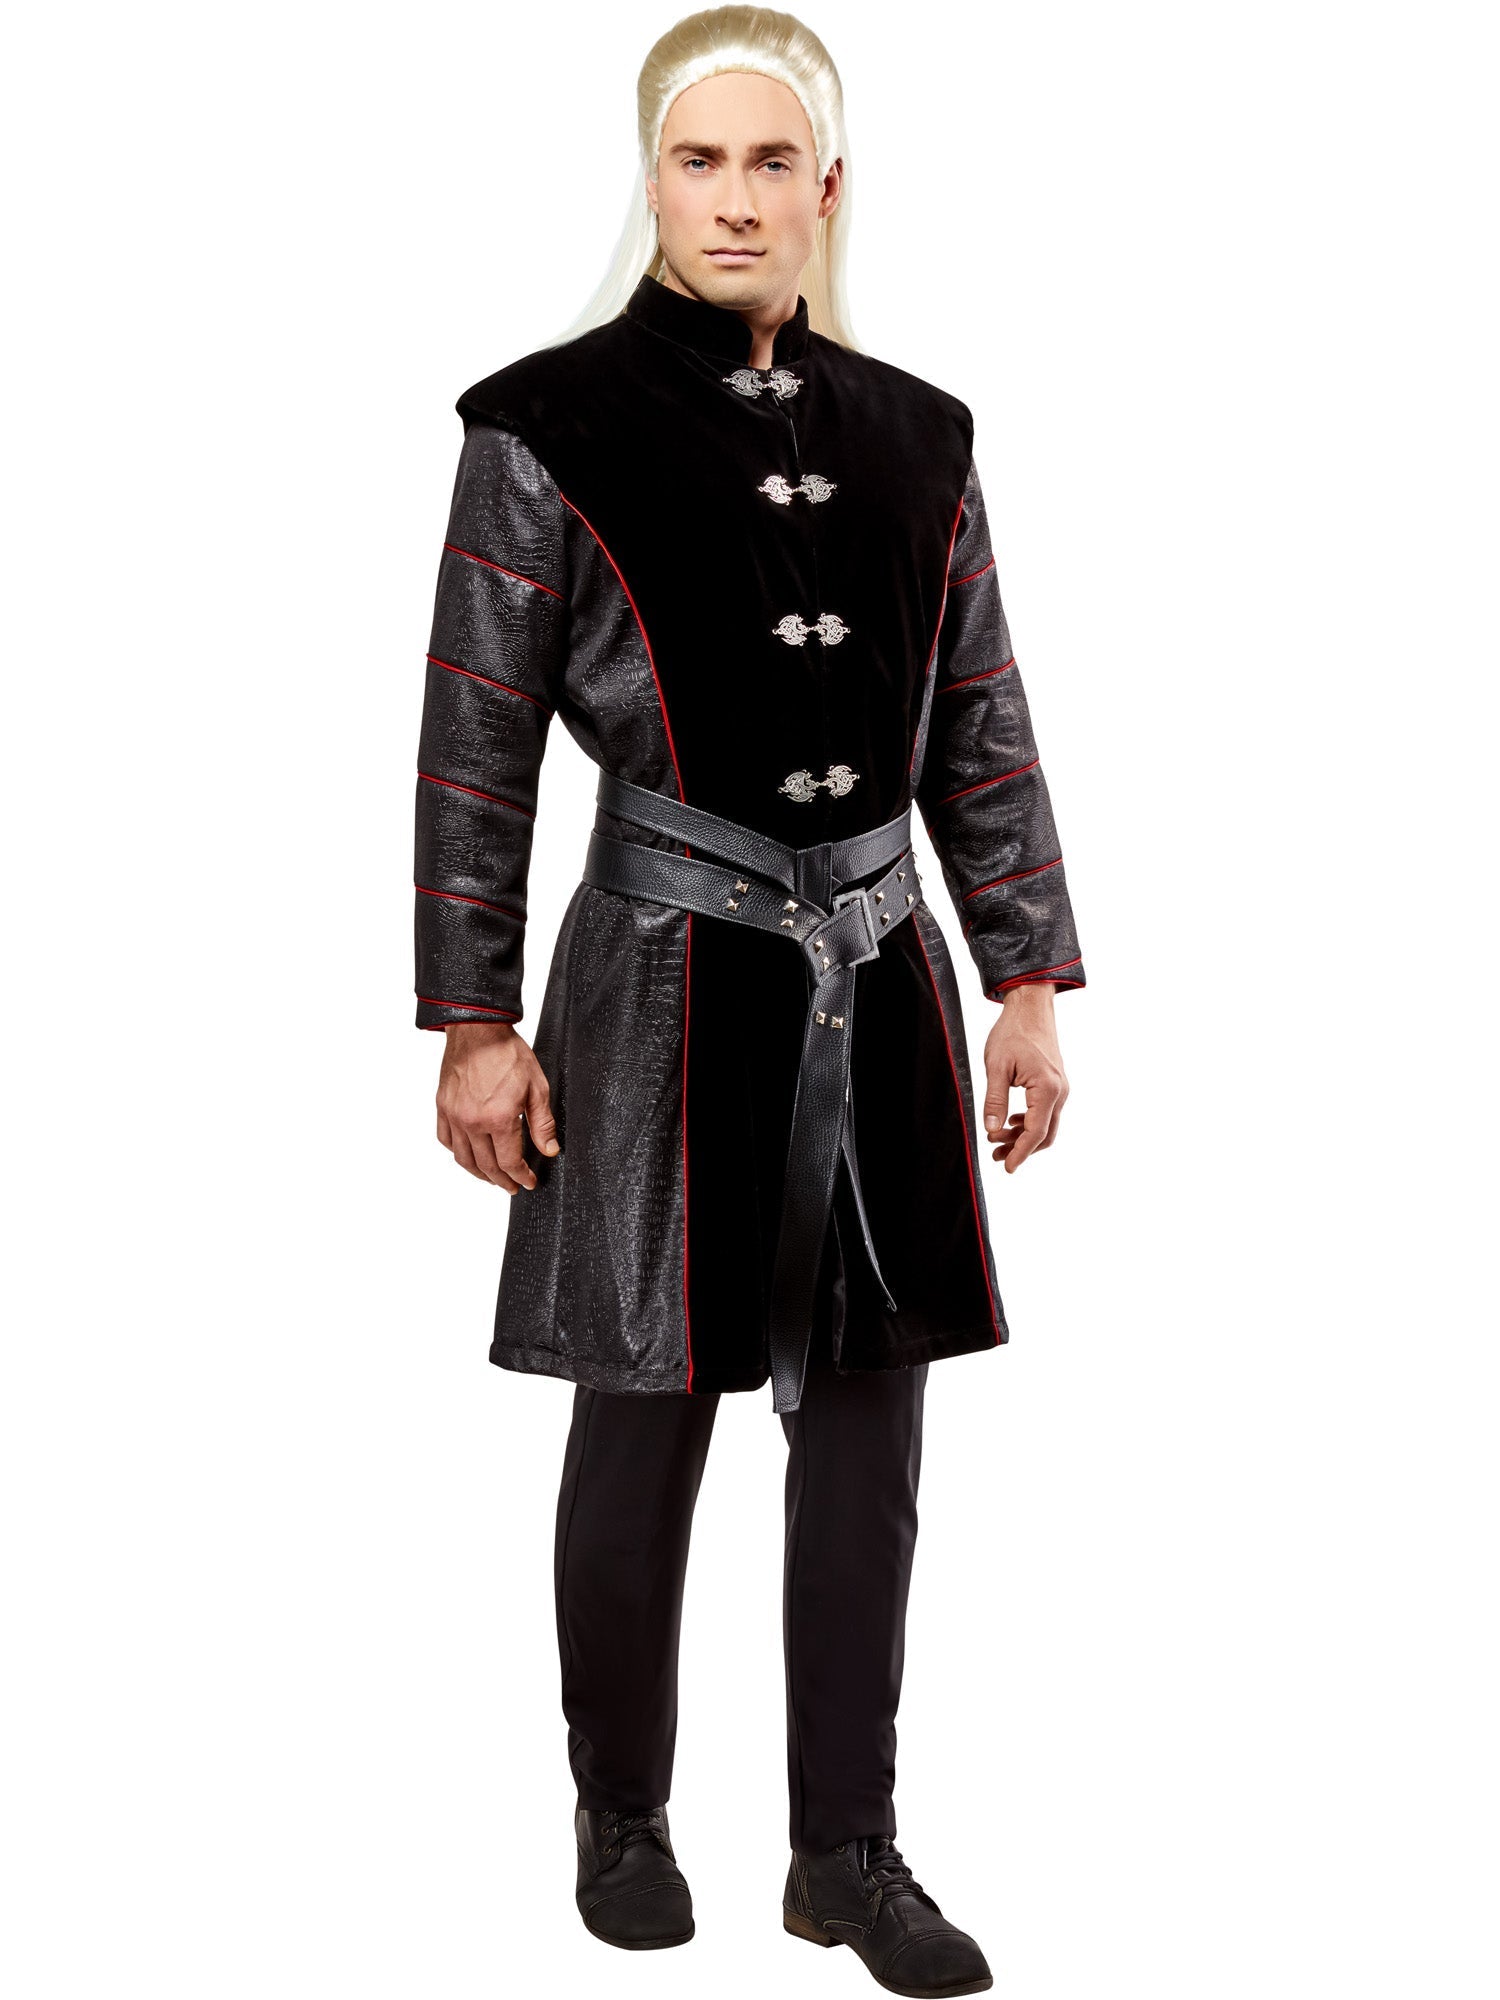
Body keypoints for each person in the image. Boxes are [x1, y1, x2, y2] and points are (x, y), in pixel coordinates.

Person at [412, 8, 1085, 1992]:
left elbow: (981, 723)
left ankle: (846, 1850)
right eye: (698, 161)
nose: (733, 198)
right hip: (656, 977)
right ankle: (620, 1807)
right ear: (652, 180)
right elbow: (476, 748)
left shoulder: (920, 436)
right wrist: (473, 1021)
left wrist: (1026, 979)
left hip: (879, 976)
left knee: (871, 1432)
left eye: (770, 162)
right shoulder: (547, 427)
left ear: (828, 189)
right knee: (643, 1411)